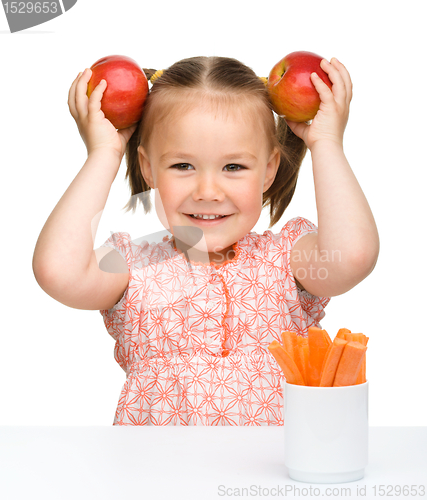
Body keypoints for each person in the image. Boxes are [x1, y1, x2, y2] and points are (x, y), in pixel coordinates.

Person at [32, 55, 379, 426]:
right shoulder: (133, 269)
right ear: (149, 168)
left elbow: (352, 257)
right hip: (157, 479)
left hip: (268, 481)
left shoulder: (286, 262)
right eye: (183, 166)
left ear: (268, 171)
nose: (208, 191)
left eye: (233, 167)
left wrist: (326, 144)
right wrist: (104, 154)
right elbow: (58, 271)